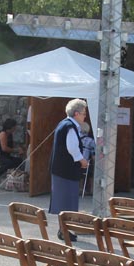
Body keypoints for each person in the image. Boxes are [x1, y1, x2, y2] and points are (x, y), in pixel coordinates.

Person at [48, 99, 90, 231]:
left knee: (63, 201)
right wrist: (82, 160)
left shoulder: (63, 123)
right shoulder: (70, 127)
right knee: (67, 202)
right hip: (66, 171)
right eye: (83, 114)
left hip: (60, 170)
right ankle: (65, 230)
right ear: (76, 113)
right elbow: (72, 148)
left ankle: (63, 229)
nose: (85, 116)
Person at [0, 118, 24, 188]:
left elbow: (10, 147)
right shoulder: (3, 134)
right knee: (9, 163)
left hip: (5, 156)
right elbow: (4, 148)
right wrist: (16, 150)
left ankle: (16, 179)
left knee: (19, 161)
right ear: (10, 127)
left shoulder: (9, 135)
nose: (15, 129)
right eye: (14, 127)